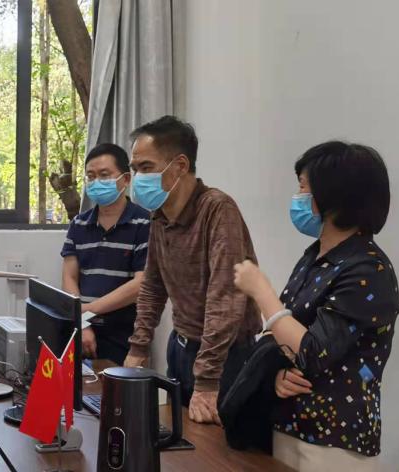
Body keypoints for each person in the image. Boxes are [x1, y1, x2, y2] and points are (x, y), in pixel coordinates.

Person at [233, 141, 399, 471]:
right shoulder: (314, 257)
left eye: (302, 188)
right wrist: (277, 376)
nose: (297, 198)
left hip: (334, 440)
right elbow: (283, 335)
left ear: (333, 196)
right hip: (288, 422)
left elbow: (313, 351)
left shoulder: (369, 268)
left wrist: (262, 292)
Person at [124, 115, 261, 425]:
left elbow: (225, 298)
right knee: (179, 436)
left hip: (226, 356)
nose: (137, 178)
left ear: (180, 166)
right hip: (181, 347)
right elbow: (153, 285)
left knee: (216, 447)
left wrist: (208, 379)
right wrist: (139, 345)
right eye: (134, 169)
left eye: (146, 167)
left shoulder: (218, 209)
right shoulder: (160, 216)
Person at [61, 143, 150, 365]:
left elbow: (141, 285)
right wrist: (83, 322)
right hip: (81, 329)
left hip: (124, 334)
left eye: (104, 175)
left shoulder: (144, 222)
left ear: (125, 179)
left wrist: (89, 311)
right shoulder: (79, 224)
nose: (96, 182)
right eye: (91, 177)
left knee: (116, 387)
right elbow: (69, 277)